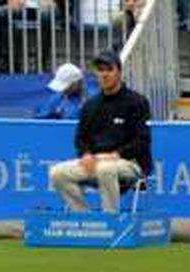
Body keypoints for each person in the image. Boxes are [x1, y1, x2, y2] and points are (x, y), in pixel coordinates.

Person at [47, 50, 152, 213]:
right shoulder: (90, 105)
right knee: (57, 173)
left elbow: (142, 141)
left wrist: (116, 154)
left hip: (131, 164)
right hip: (96, 161)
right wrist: (86, 154)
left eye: (109, 70)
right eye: (100, 70)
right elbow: (81, 138)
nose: (104, 75)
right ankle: (84, 218)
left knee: (106, 168)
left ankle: (110, 220)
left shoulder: (137, 102)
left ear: (119, 72)